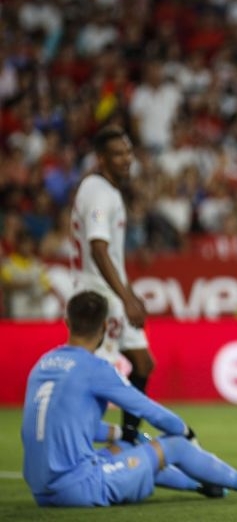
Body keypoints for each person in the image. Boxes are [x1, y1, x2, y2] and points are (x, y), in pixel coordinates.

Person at [21, 290, 237, 507]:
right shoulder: (96, 368)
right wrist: (184, 431)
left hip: (41, 491)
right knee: (174, 445)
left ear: (67, 322)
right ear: (106, 325)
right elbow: (148, 410)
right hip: (79, 488)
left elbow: (67, 426)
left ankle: (204, 484)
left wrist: (123, 432)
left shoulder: (42, 365)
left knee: (128, 444)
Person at [70, 125, 152, 444]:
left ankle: (129, 441)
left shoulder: (109, 191)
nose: (126, 159)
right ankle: (78, 440)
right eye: (117, 154)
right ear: (101, 159)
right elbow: (98, 248)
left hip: (111, 293)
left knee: (143, 363)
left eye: (128, 152)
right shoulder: (98, 193)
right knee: (97, 376)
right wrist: (126, 298)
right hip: (96, 295)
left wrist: (129, 294)